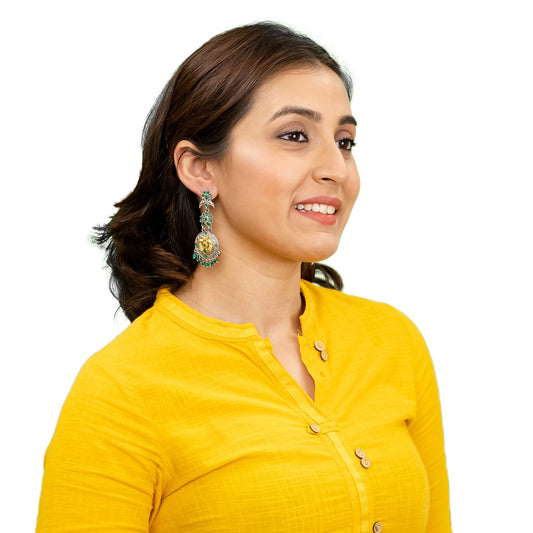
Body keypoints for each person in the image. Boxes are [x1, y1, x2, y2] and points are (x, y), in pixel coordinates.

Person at [36, 22, 451, 532]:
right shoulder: (121, 391)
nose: (337, 169)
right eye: (294, 135)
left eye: (345, 142)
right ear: (200, 169)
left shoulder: (392, 341)